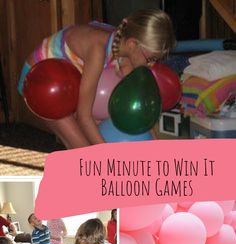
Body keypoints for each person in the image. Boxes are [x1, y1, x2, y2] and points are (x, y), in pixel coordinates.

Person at [18, 9, 175, 149]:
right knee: (83, 150)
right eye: (150, 59)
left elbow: (137, 110)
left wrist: (157, 146)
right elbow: (84, 116)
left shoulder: (126, 48)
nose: (152, 65)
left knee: (94, 133)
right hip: (42, 81)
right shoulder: (97, 51)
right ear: (133, 44)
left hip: (69, 81)